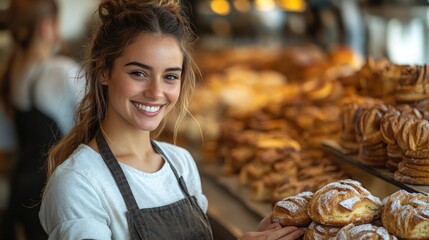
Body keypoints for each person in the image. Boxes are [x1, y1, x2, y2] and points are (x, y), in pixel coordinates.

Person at [39, 0, 304, 239]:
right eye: (139, 73)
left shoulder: (180, 164)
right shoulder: (79, 183)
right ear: (104, 72)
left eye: (170, 76)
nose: (156, 92)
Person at [0, 0, 84, 239]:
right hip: (52, 189)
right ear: (46, 26)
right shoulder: (60, 70)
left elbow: (5, 140)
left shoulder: (12, 69)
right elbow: (100, 128)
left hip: (22, 186)